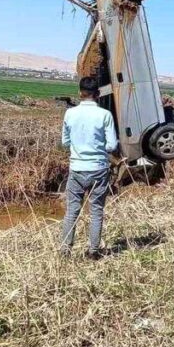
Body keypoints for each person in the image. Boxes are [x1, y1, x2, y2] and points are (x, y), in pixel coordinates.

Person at [60, 76, 119, 259]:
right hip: (99, 170)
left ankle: (65, 251)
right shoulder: (105, 115)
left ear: (80, 93)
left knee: (72, 212)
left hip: (77, 169)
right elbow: (111, 146)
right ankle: (93, 251)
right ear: (98, 94)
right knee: (96, 212)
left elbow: (64, 142)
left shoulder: (70, 114)